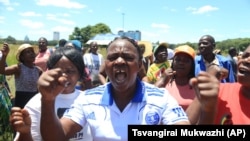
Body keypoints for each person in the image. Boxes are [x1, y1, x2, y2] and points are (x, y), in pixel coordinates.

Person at [38, 36, 193, 141]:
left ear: (139, 66)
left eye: (127, 57)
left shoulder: (161, 97)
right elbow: (56, 137)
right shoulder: (88, 98)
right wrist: (48, 100)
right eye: (112, 58)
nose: (119, 61)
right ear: (106, 65)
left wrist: (207, 106)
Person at [10, 47, 92, 141]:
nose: (64, 76)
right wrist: (25, 133)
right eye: (57, 71)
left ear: (80, 74)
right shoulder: (37, 102)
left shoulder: (89, 101)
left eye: (70, 71)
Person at [187, 44, 250, 124]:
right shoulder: (218, 90)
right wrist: (207, 109)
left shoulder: (224, 61)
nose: (247, 60)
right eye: (245, 56)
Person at [0, 43, 43, 108]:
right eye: (28, 52)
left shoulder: (38, 70)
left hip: (34, 101)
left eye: (32, 52)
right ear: (22, 57)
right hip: (21, 101)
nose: (31, 53)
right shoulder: (18, 68)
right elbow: (2, 70)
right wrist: (4, 55)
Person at [155, 45, 196, 110]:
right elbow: (151, 97)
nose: (181, 63)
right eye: (178, 59)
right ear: (173, 62)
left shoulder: (196, 86)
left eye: (186, 60)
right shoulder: (165, 80)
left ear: (192, 65)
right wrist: (163, 79)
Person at [0, 44, 13, 140]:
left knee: (5, 115)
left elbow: (3, 75)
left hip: (1, 92)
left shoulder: (1, 54)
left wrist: (8, 90)